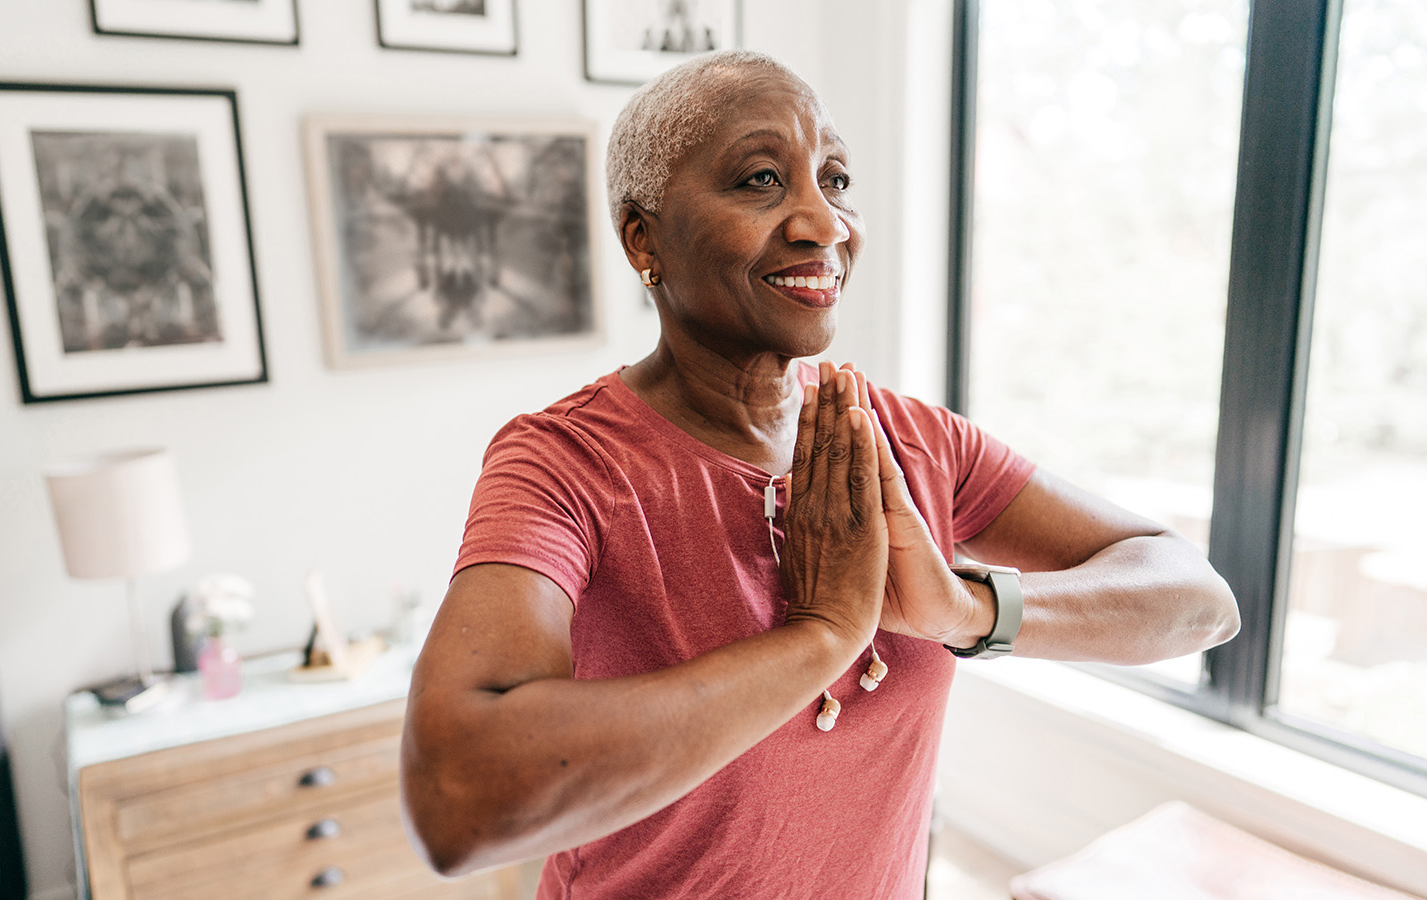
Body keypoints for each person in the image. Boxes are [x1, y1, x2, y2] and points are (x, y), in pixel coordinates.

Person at [400, 50, 1239, 900]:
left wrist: (962, 608)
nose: (824, 223)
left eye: (835, 179)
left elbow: (1198, 600)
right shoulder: (566, 463)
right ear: (641, 237)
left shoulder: (910, 440)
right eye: (762, 179)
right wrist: (823, 635)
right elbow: (459, 799)